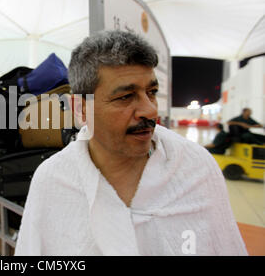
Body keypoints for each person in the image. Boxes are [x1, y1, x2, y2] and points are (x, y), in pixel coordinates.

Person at [15, 30, 247, 255]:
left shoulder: (196, 168)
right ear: (80, 108)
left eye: (152, 92)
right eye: (125, 97)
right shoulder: (53, 179)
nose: (150, 110)